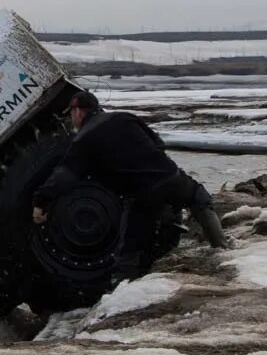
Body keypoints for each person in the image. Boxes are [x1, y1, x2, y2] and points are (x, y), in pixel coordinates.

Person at [32, 90, 228, 281]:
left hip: (141, 195)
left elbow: (65, 175)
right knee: (199, 198)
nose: (72, 120)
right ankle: (223, 251)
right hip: (169, 177)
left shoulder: (83, 139)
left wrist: (42, 201)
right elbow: (158, 143)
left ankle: (121, 292)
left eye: (71, 115)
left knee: (129, 250)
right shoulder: (125, 117)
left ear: (78, 112)